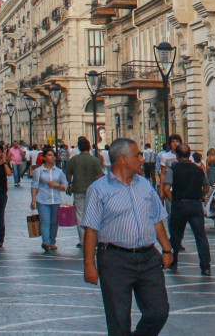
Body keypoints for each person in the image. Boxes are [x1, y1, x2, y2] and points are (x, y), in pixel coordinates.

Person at [82, 139, 175, 336]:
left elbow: (157, 219)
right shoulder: (98, 190)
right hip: (115, 259)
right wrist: (89, 264)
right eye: (138, 155)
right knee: (118, 319)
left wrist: (167, 249)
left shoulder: (145, 185)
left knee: (158, 312)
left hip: (148, 257)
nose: (142, 159)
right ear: (123, 159)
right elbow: (91, 229)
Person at [162, 145, 211, 275]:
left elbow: (166, 189)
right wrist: (201, 195)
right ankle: (205, 266)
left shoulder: (172, 170)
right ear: (189, 155)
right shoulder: (199, 170)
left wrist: (174, 200)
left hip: (179, 204)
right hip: (195, 204)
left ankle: (173, 262)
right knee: (200, 236)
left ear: (177, 156)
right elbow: (206, 187)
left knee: (176, 236)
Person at [66, 136, 106, 248]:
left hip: (78, 189)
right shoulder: (95, 160)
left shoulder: (73, 160)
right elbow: (99, 176)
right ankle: (94, 238)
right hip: (93, 191)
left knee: (80, 215)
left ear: (78, 147)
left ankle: (83, 240)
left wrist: (70, 184)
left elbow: (68, 174)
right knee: (94, 214)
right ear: (89, 147)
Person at [32, 146, 69, 252]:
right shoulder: (38, 171)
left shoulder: (59, 172)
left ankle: (52, 241)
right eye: (49, 155)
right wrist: (33, 200)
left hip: (56, 200)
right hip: (42, 200)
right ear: (44, 158)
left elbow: (65, 186)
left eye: (53, 155)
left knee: (54, 222)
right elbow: (34, 186)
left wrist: (56, 185)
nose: (52, 157)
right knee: (45, 221)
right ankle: (46, 242)